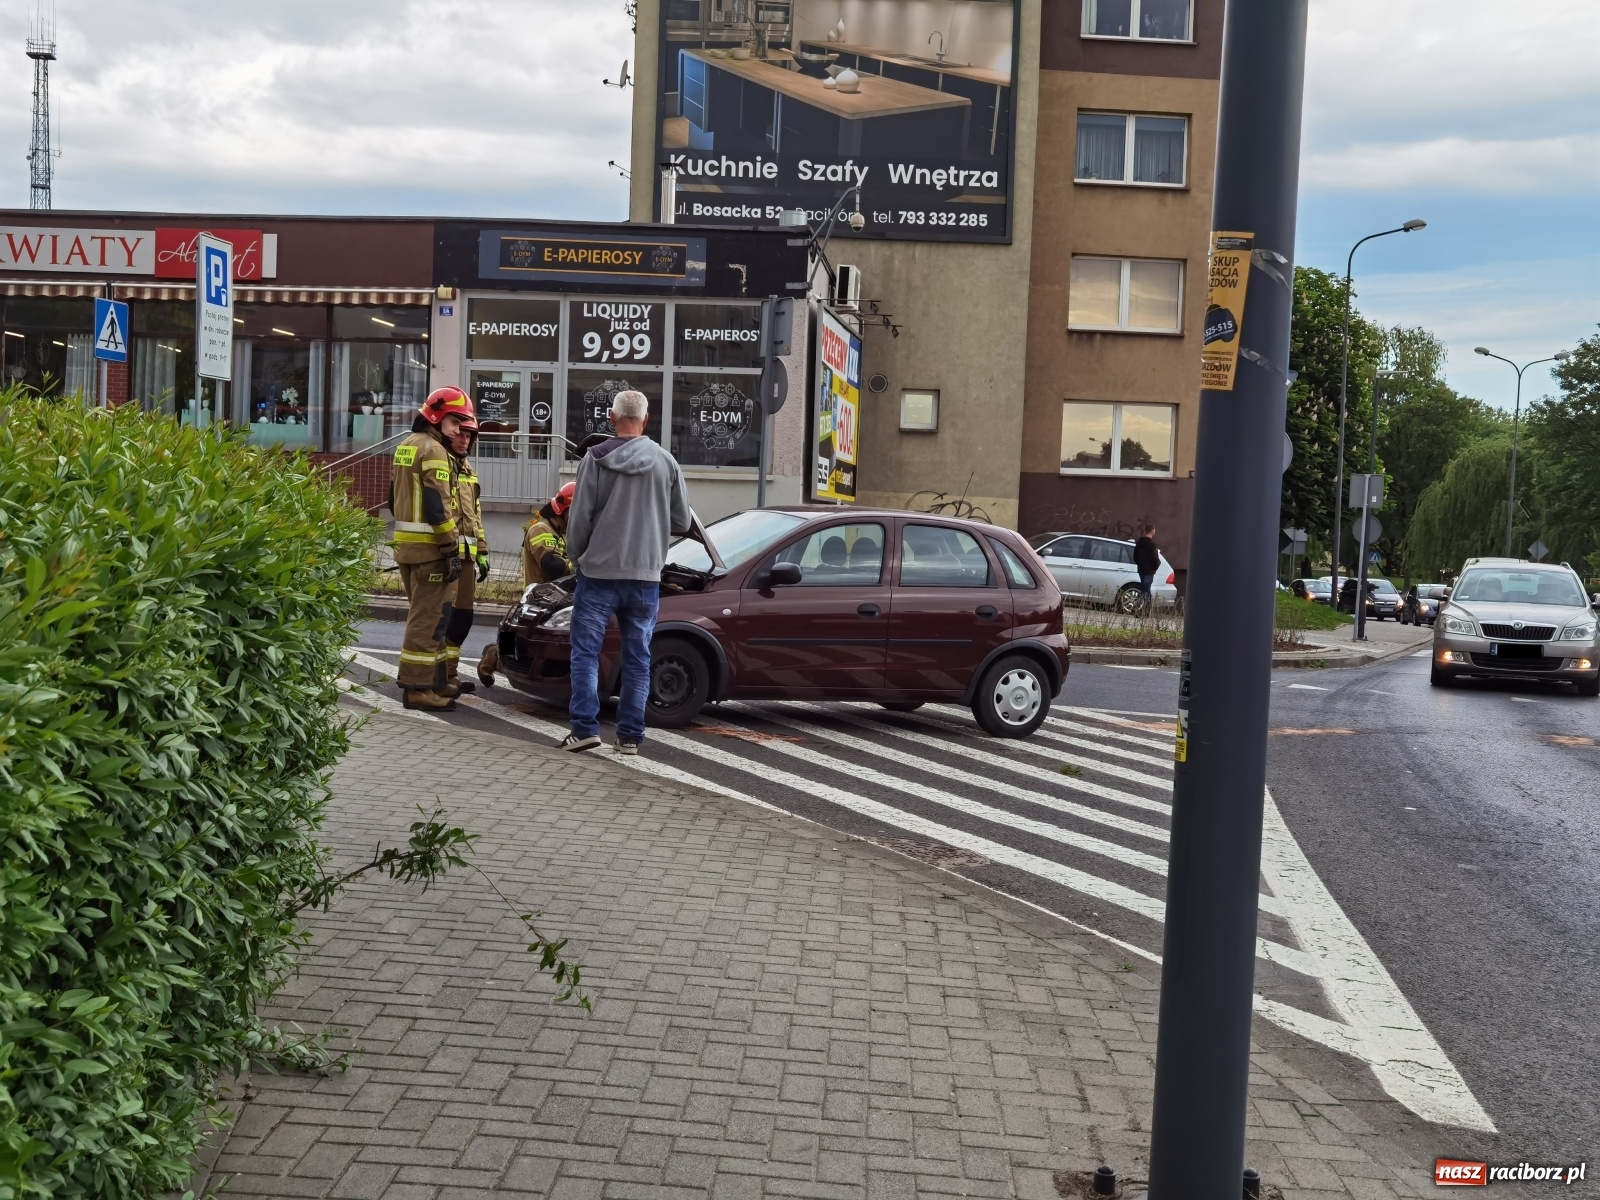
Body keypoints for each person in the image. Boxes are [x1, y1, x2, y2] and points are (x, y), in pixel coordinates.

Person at [560, 390, 690, 755]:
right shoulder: (666, 462)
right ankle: (630, 736)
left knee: (586, 652)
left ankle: (584, 729)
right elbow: (682, 520)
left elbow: (580, 517)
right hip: (645, 576)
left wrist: (576, 555)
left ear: (612, 419)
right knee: (638, 657)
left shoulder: (595, 458)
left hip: (598, 573)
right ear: (645, 420)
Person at [388, 386, 473, 711]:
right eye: (455, 422)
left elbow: (393, 499)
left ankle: (435, 681)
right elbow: (438, 506)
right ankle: (417, 689)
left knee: (433, 618)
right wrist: (451, 548)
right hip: (431, 551)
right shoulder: (435, 450)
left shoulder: (406, 445)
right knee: (426, 622)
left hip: (408, 549)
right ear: (437, 417)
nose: (457, 430)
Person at [475, 481, 575, 688]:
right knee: (516, 638)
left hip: (553, 599)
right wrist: (579, 565)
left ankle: (497, 658)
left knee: (522, 641)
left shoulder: (558, 534)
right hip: (537, 597)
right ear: (564, 510)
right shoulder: (541, 529)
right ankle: (494, 655)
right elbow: (551, 565)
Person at [441, 414, 489, 694]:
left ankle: (450, 673)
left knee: (462, 619)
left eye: (469, 436)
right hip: (445, 555)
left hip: (467, 557)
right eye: (461, 434)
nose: (465, 440)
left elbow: (475, 515)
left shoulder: (468, 470)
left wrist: (482, 550)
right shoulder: (441, 464)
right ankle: (439, 676)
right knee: (443, 618)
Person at [1133, 524, 1160, 609]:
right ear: (1153, 532)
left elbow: (1135, 557)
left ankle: (1147, 610)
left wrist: (1140, 564)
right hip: (1149, 571)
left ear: (1145, 531)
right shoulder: (1151, 545)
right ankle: (1137, 608)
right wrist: (1155, 567)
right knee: (1145, 590)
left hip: (1141, 569)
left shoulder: (1139, 543)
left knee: (1146, 588)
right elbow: (1154, 558)